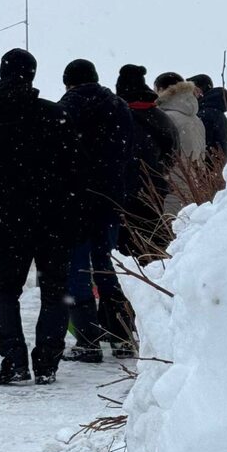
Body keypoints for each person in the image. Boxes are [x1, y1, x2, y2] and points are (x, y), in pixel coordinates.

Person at [0, 48, 77, 385]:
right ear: (32, 75)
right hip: (54, 219)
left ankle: (15, 361)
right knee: (55, 291)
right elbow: (75, 171)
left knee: (5, 291)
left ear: (2, 71)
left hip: (8, 220)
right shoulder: (56, 115)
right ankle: (47, 363)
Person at [58, 59, 134, 362]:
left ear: (68, 83)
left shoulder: (66, 108)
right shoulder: (119, 107)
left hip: (76, 201)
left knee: (77, 269)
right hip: (111, 199)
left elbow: (59, 155)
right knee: (108, 266)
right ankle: (121, 337)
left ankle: (88, 341)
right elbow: (129, 152)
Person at [114, 64, 177, 263]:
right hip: (154, 191)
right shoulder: (162, 118)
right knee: (152, 249)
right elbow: (172, 155)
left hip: (122, 193)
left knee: (125, 254)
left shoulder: (116, 116)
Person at [155, 72, 206, 214]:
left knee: (170, 231)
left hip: (170, 186)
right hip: (193, 185)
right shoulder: (197, 120)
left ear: (160, 90)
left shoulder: (165, 117)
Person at [190, 73, 227, 173]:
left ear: (199, 91)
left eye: (190, 90)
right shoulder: (215, 112)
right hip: (215, 170)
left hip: (206, 172)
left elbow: (200, 146)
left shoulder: (206, 115)